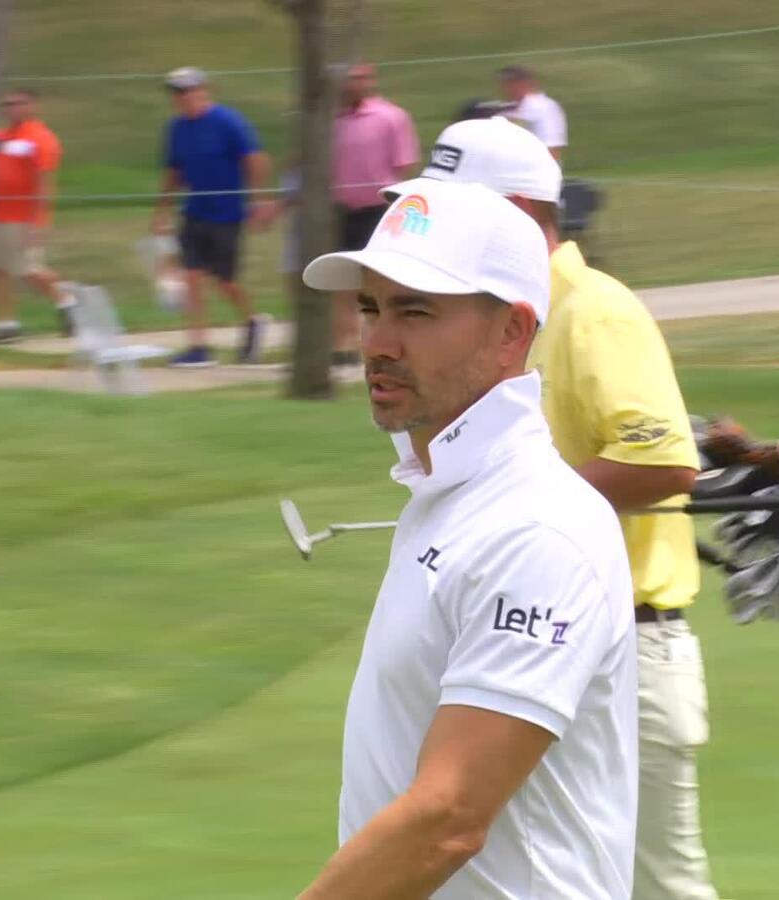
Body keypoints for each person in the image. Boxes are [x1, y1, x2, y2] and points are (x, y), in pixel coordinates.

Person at [297, 179, 638, 899]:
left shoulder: (539, 527)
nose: (379, 343)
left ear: (512, 331)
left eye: (415, 312)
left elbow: (449, 818)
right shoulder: (448, 492)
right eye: (370, 308)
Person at [409, 115, 720, 900]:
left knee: (662, 891)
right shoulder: (513, 310)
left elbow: (664, 457)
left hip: (625, 656)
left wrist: (511, 518)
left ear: (518, 211)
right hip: (542, 651)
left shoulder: (590, 309)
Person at [151, 67, 274, 367]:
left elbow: (255, 159)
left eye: (189, 91)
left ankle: (252, 322)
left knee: (225, 280)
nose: (184, 98)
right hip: (195, 211)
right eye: (178, 93)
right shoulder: (177, 128)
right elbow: (175, 172)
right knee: (190, 276)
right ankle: (198, 345)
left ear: (203, 90)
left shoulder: (228, 121)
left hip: (227, 212)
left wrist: (257, 199)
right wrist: (162, 210)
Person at [328, 63, 419, 366]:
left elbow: (403, 166)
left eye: (361, 78)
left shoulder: (391, 117)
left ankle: (383, 339)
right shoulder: (332, 121)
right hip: (342, 209)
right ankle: (346, 344)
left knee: (380, 280)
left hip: (381, 210)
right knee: (343, 279)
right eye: (350, 79)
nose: (355, 84)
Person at [0, 88, 75, 344]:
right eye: (7, 104)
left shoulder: (40, 138)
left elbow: (45, 183)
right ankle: (6, 324)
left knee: (29, 270)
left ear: (32, 105)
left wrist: (39, 222)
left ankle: (67, 301)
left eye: (18, 103)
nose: (12, 108)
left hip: (23, 217)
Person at [497, 64, 567, 161]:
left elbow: (552, 148)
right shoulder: (504, 109)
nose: (509, 88)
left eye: (514, 83)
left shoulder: (544, 107)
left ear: (527, 83)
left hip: (534, 171)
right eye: (506, 84)